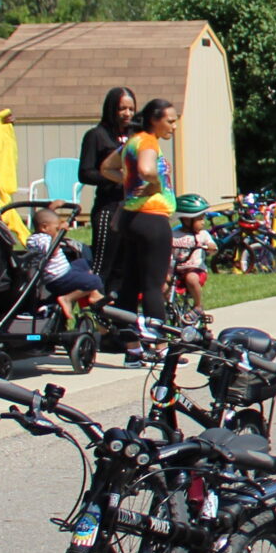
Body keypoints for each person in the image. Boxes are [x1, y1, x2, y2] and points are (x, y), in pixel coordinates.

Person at [109, 98, 181, 362]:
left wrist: (129, 181)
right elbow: (146, 169)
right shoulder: (149, 141)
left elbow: (107, 168)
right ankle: (160, 349)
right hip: (152, 220)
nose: (173, 126)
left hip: (131, 219)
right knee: (153, 286)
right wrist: (154, 184)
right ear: (154, 120)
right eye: (170, 121)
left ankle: (132, 349)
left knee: (130, 284)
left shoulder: (132, 141)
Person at [77, 87, 136, 292]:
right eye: (122, 108)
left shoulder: (135, 136)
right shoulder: (96, 136)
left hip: (132, 207)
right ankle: (93, 310)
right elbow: (85, 173)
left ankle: (116, 315)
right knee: (103, 266)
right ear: (111, 109)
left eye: (131, 109)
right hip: (108, 208)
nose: (127, 113)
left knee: (124, 268)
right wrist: (114, 176)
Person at [27, 205, 100, 325]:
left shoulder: (41, 236)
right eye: (56, 228)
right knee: (95, 280)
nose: (57, 231)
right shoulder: (41, 239)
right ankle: (67, 299)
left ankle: (93, 293)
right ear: (44, 227)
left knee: (83, 263)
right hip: (58, 279)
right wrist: (60, 233)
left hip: (64, 271)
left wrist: (53, 208)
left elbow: (46, 218)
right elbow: (52, 251)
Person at [170, 196, 216, 325]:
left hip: (196, 270)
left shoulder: (203, 235)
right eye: (200, 218)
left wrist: (211, 247)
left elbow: (212, 247)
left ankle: (198, 306)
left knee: (191, 278)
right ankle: (165, 307)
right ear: (186, 219)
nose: (203, 222)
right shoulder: (173, 233)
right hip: (175, 269)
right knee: (163, 282)